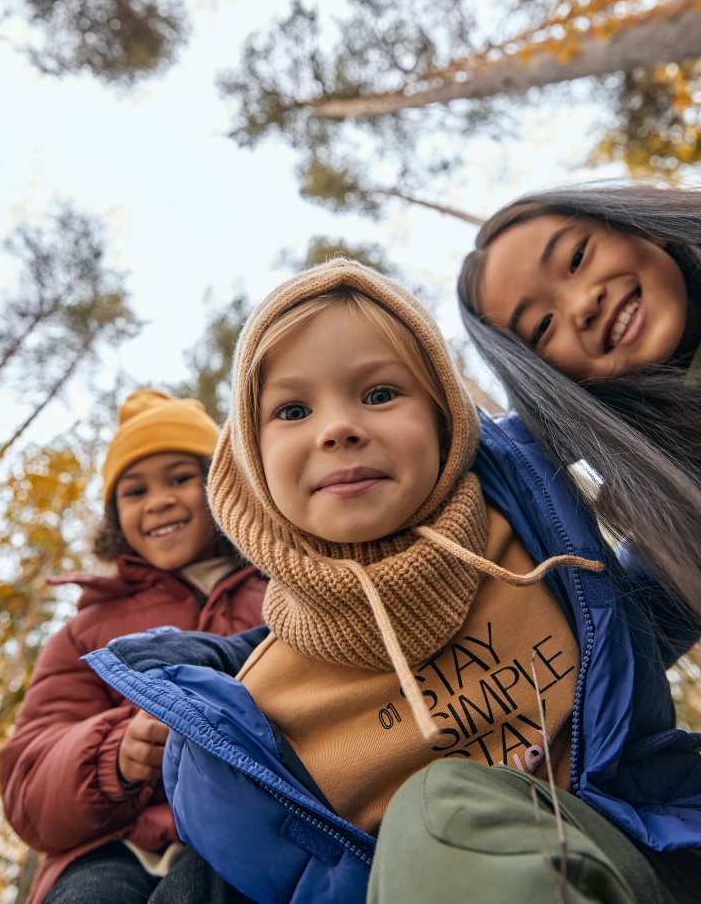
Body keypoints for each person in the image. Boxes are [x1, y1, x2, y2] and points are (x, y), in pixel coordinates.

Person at [87, 259, 701, 904]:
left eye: (380, 394)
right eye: (292, 410)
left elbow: (639, 616)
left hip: (649, 848)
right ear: (251, 465)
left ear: (443, 418)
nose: (337, 428)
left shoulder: (538, 529)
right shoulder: (250, 723)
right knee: (436, 810)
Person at [0, 390, 268, 904]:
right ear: (113, 516)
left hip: (248, 836)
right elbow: (28, 786)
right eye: (135, 490)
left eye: (181, 478)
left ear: (224, 483)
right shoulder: (85, 630)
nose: (159, 501)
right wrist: (115, 754)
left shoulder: (283, 593)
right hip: (113, 849)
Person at [458, 183, 701, 623]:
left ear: (641, 227)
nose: (583, 305)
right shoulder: (671, 520)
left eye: (576, 258)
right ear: (554, 381)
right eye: (543, 325)